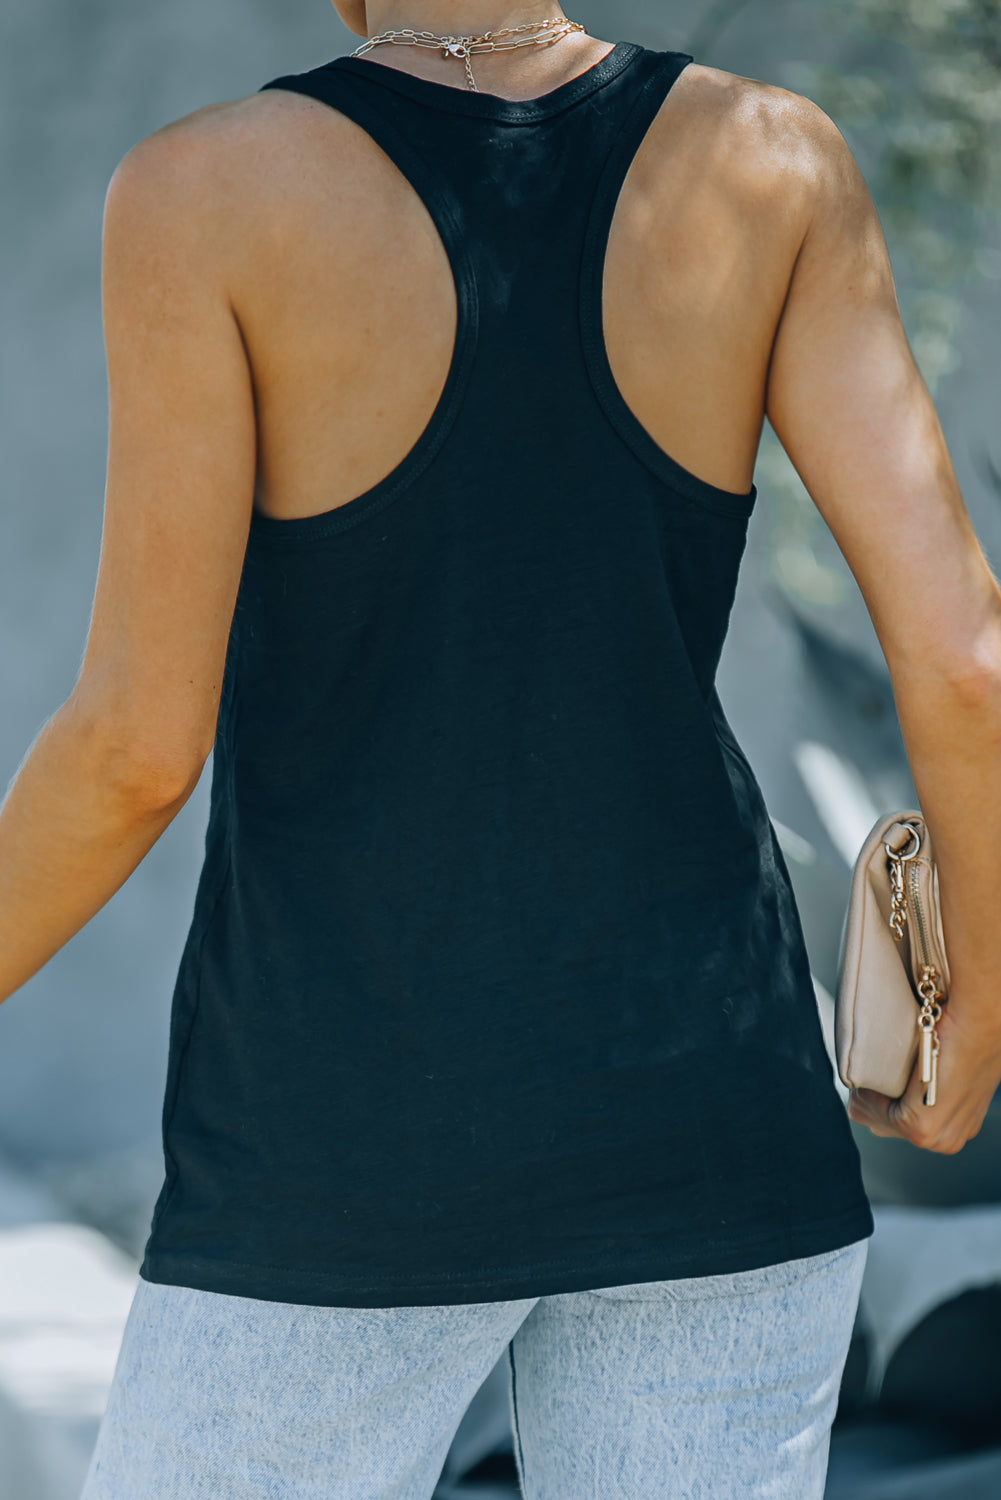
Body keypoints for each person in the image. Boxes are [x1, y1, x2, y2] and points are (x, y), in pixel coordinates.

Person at [1, 2, 1000, 1496]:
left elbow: (137, 750)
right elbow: (966, 659)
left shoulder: (207, 190)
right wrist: (980, 995)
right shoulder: (772, 160)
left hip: (342, 1152)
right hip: (716, 1131)